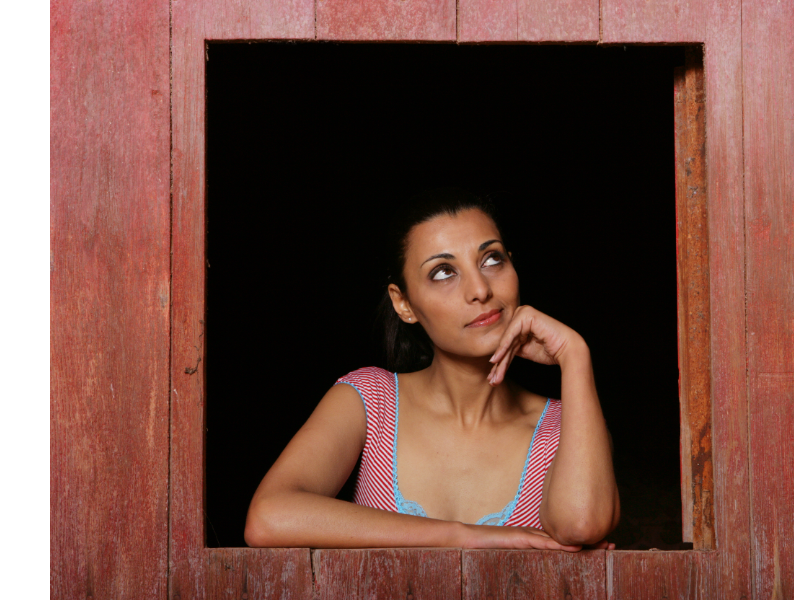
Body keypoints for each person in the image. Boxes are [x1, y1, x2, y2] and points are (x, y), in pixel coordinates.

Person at [244, 188, 619, 551]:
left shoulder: (564, 425)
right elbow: (268, 517)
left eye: (492, 259)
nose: (480, 290)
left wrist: (575, 355)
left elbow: (581, 524)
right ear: (403, 303)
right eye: (443, 272)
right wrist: (457, 536)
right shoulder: (370, 401)